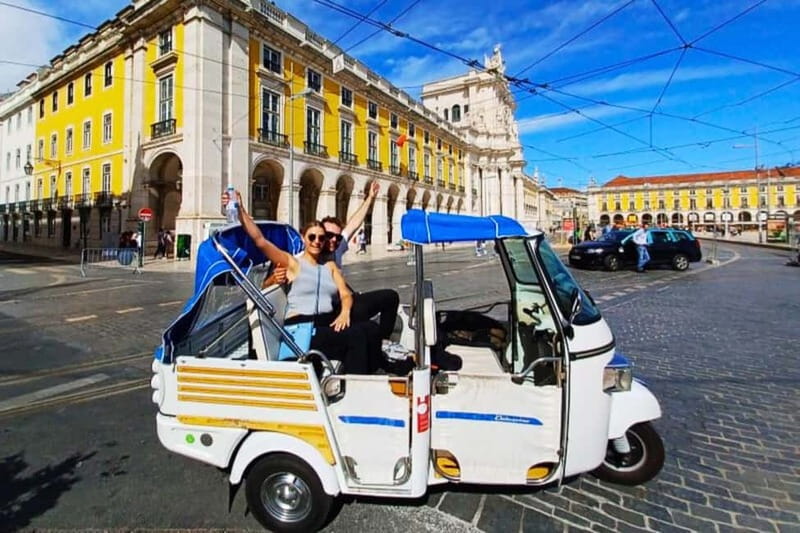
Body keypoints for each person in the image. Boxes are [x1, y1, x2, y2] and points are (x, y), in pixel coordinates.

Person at [235, 192, 412, 375]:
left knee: (372, 329)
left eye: (321, 238)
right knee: (356, 336)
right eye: (312, 237)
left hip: (326, 324)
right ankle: (353, 382)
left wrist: (344, 313)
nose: (317, 242)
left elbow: (345, 294)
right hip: (302, 328)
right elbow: (260, 240)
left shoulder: (330, 265)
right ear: (304, 238)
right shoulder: (293, 262)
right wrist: (240, 210)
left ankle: (375, 369)